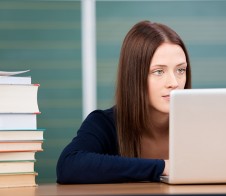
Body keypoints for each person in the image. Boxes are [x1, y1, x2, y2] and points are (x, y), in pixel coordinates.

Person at [56, 20, 191, 184]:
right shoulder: (104, 124)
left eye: (180, 70)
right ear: (134, 76)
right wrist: (163, 167)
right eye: (158, 71)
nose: (174, 82)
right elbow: (69, 166)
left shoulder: (201, 123)